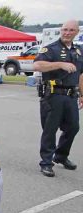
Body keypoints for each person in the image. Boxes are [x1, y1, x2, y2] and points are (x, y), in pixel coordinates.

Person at [33, 20, 83, 178]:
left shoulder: (79, 51)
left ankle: (61, 155)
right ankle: (46, 163)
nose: (67, 33)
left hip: (71, 95)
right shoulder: (51, 48)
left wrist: (82, 94)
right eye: (65, 29)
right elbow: (37, 65)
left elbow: (80, 75)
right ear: (61, 30)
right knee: (50, 130)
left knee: (73, 127)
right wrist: (60, 64)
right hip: (53, 95)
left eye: (71, 30)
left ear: (77, 32)